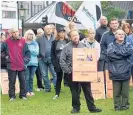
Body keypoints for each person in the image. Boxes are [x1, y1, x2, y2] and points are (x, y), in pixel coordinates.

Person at [60, 30, 102, 113]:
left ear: (79, 36)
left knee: (87, 90)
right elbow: (62, 61)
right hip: (72, 73)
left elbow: (91, 58)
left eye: (76, 35)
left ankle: (92, 108)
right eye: (73, 36)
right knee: (75, 91)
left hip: (84, 72)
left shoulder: (84, 46)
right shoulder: (66, 47)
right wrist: (68, 71)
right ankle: (76, 108)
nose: (75, 37)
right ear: (70, 37)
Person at [1, 27, 31, 101]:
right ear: (11, 33)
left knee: (23, 81)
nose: (16, 33)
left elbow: (28, 52)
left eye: (16, 32)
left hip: (21, 65)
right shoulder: (6, 42)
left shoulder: (23, 41)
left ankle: (23, 95)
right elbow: (2, 52)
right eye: (14, 32)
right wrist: (7, 58)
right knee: (12, 81)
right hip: (11, 65)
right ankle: (12, 96)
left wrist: (25, 61)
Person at [107, 29, 133, 111]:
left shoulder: (129, 45)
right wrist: (122, 55)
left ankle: (125, 105)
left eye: (122, 34)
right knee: (116, 91)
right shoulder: (110, 45)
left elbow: (128, 52)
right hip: (115, 71)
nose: (121, 35)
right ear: (115, 36)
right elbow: (110, 55)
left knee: (125, 91)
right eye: (119, 34)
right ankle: (117, 106)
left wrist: (117, 53)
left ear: (125, 35)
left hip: (126, 70)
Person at [36, 24, 57, 92]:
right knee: (44, 74)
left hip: (52, 59)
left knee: (54, 73)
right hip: (42, 59)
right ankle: (47, 88)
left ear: (52, 30)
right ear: (44, 30)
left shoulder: (55, 38)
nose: (48, 30)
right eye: (47, 29)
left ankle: (57, 87)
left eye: (50, 29)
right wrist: (38, 56)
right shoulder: (39, 38)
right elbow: (36, 48)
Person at [51, 27, 69, 99]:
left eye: (63, 32)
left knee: (69, 77)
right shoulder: (55, 42)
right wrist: (54, 63)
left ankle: (74, 92)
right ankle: (57, 93)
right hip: (58, 62)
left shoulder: (68, 41)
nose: (62, 33)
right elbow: (52, 53)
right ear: (58, 33)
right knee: (59, 78)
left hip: (67, 62)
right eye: (61, 32)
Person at [24, 29, 39, 96]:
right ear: (26, 35)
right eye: (29, 34)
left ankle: (31, 90)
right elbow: (23, 53)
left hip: (34, 63)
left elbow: (36, 52)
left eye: (31, 34)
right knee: (27, 77)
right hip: (26, 63)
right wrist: (31, 51)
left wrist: (29, 50)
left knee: (31, 78)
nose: (30, 35)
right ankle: (27, 91)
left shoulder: (35, 43)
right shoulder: (24, 43)